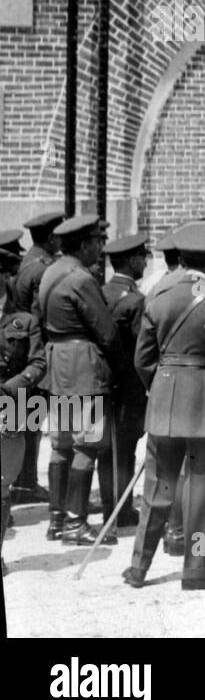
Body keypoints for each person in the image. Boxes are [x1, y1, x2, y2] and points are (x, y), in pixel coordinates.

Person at [122, 221, 205, 590]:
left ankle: (139, 567)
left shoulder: (157, 298)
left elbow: (142, 360)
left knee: (158, 488)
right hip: (203, 403)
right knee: (200, 492)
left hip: (163, 398)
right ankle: (194, 567)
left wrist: (159, 387)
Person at [36, 214, 119, 546]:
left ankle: (56, 519)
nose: (100, 249)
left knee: (61, 444)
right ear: (84, 244)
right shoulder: (82, 279)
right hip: (84, 366)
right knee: (87, 445)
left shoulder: (50, 272)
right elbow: (108, 333)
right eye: (97, 243)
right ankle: (75, 523)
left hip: (58, 365)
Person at [10, 211, 63, 507]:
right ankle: (25, 482)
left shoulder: (25, 262)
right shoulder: (43, 269)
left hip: (17, 349)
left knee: (22, 420)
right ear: (52, 237)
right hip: (36, 350)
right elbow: (41, 316)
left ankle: (21, 480)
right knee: (32, 422)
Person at [0, 237, 46, 573]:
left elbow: (38, 364)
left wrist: (13, 386)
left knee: (2, 486)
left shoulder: (24, 321)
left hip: (10, 408)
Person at [100, 233, 150, 528]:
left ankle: (110, 508)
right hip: (129, 386)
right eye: (143, 257)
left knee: (103, 449)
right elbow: (140, 348)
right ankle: (122, 507)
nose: (145, 262)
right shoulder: (135, 300)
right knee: (126, 448)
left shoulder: (99, 292)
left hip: (101, 382)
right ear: (132, 261)